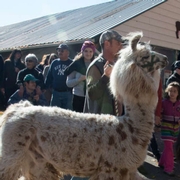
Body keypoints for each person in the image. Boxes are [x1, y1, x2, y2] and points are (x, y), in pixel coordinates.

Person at [84, 30, 123, 115]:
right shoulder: (96, 66)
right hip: (101, 123)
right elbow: (92, 94)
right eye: (118, 43)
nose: (121, 46)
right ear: (107, 44)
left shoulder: (117, 64)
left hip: (115, 120)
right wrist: (105, 77)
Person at [65, 41, 96, 112]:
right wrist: (78, 79)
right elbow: (68, 83)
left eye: (90, 51)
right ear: (82, 51)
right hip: (78, 97)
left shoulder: (96, 64)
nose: (88, 53)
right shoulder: (76, 64)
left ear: (93, 52)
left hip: (92, 97)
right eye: (86, 51)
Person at [158, 82, 180, 176]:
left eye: (174, 91)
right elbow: (159, 113)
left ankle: (162, 162)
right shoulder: (164, 103)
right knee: (169, 148)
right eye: (170, 91)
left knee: (168, 147)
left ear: (178, 93)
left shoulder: (179, 104)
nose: (172, 93)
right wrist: (158, 118)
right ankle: (168, 168)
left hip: (175, 130)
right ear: (167, 91)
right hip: (166, 128)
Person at [45, 43, 72, 109]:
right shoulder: (54, 63)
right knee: (54, 114)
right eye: (59, 50)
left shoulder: (71, 63)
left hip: (68, 93)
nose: (60, 52)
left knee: (68, 114)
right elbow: (49, 77)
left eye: (62, 51)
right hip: (56, 93)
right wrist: (46, 88)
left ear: (67, 52)